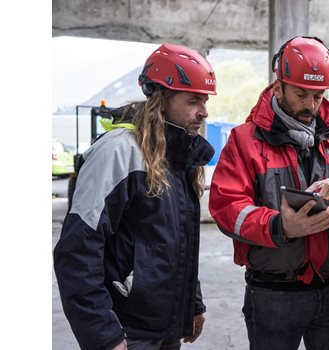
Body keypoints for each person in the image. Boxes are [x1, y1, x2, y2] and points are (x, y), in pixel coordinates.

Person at [209, 36, 329, 350]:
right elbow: (226, 208)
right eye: (301, 94)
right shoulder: (245, 140)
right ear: (278, 88)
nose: (310, 105)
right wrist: (281, 226)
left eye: (318, 96)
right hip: (272, 295)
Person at [53, 43, 217, 350]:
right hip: (126, 332)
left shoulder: (179, 157)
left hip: (166, 329)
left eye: (204, 101)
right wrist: (103, 335)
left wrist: (192, 304)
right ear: (162, 99)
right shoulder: (119, 152)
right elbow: (76, 251)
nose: (204, 112)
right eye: (193, 100)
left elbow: (176, 241)